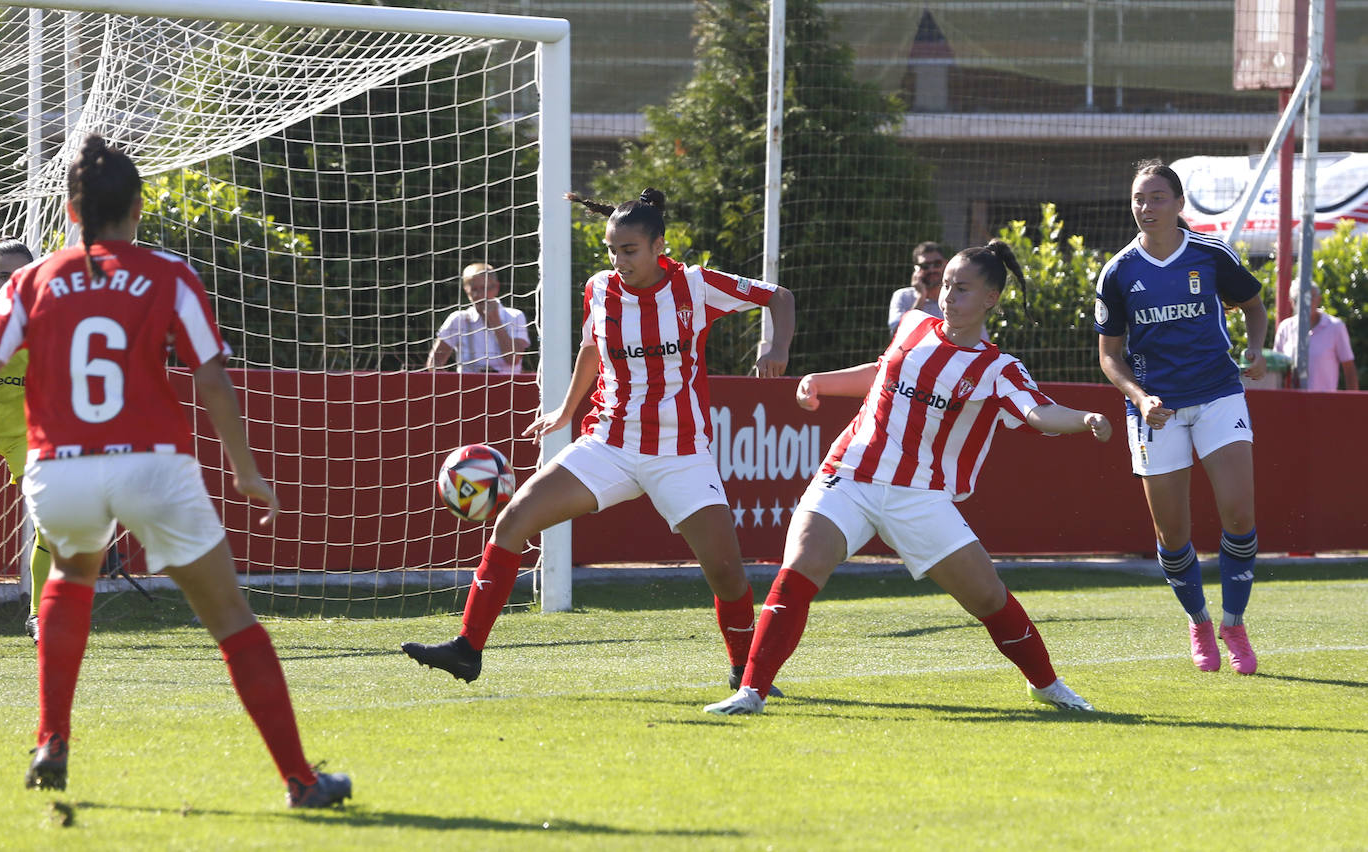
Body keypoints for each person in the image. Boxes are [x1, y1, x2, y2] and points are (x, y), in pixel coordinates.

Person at [0, 134, 349, 807]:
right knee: (229, 615)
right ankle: (302, 781)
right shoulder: (167, 273)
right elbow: (211, 378)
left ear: (71, 211)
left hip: (59, 470)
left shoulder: (29, 279)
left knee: (70, 577)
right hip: (149, 463)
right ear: (137, 207)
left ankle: (51, 739)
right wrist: (245, 470)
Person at [402, 187, 797, 690]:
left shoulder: (695, 286)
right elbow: (592, 348)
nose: (619, 260)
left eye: (629, 250)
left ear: (660, 246)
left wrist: (774, 343)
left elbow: (778, 297)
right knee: (513, 520)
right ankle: (467, 649)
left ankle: (746, 671)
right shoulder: (600, 288)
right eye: (611, 250)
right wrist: (565, 411)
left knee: (726, 573)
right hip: (608, 442)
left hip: (680, 452)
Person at [705, 240, 1111, 716]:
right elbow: (881, 373)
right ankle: (751, 691)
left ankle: (1046, 684)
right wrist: (821, 381)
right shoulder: (915, 325)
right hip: (849, 473)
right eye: (945, 286)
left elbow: (1037, 412)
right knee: (796, 573)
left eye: (961, 289)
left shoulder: (997, 368)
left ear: (990, 299)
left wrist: (1084, 419)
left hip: (920, 496)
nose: (947, 296)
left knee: (988, 598)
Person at [1095, 158, 1268, 676]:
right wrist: (1140, 397)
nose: (1146, 208)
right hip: (1156, 411)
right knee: (1173, 535)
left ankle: (1233, 624)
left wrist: (1256, 350)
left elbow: (1255, 304)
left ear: (1179, 203)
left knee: (1239, 515)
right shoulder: (1118, 271)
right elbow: (1109, 356)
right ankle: (1198, 620)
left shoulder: (1211, 254)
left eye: (1156, 198)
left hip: (1218, 394)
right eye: (1138, 199)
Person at [0, 237, 52, 645]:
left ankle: (39, 616)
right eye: (1, 276)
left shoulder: (52, 322)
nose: (10, 283)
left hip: (25, 431)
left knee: (53, 519)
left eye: (19, 275)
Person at [426, 262, 530, 373]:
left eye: (485, 288)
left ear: (496, 287)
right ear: (467, 290)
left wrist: (496, 321)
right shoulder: (458, 319)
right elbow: (434, 363)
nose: (480, 295)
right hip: (468, 386)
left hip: (507, 386)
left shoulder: (515, 316)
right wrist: (453, 386)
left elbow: (513, 359)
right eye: (474, 289)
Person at [1273, 280, 1357, 392]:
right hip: (1290, 403)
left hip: (1325, 404)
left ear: (1319, 299)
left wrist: (1352, 405)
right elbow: (1276, 368)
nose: (1306, 302)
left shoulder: (1335, 327)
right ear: (1292, 303)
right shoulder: (1285, 327)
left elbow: (1349, 368)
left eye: (1310, 297)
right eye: (1299, 298)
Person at [887, 241, 947, 331]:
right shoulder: (903, 296)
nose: (932, 269)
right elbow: (897, 331)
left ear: (946, 264)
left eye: (937, 263)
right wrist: (920, 297)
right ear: (916, 269)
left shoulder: (953, 297)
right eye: (925, 266)